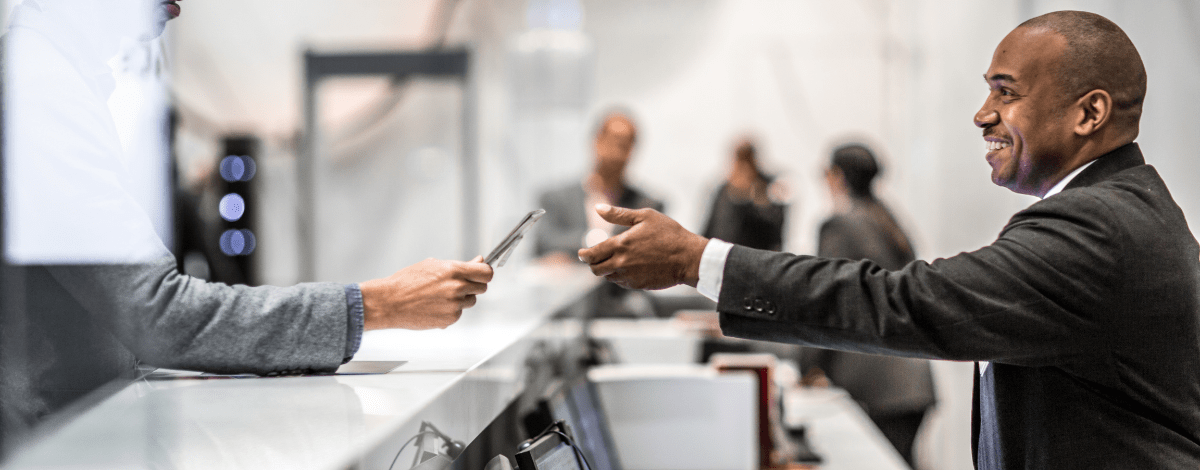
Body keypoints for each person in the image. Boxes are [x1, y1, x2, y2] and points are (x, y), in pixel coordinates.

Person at [577, 10, 1200, 468]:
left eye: (1005, 93)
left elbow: (905, 301)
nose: (983, 113)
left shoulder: (1097, 227)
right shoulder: (1118, 211)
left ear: (1088, 114)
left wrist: (696, 259)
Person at [0, 0, 492, 445]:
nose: (173, 10)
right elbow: (158, 315)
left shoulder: (50, 79)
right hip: (49, 442)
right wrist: (374, 304)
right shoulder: (39, 90)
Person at [801, 143, 935, 465]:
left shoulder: (840, 225)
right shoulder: (887, 218)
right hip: (912, 379)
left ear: (837, 176)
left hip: (875, 383)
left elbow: (824, 299)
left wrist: (808, 365)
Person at [535, 110, 664, 262]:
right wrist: (593, 239)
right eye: (613, 141)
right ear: (597, 140)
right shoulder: (556, 198)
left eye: (625, 145)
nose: (617, 152)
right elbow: (544, 243)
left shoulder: (647, 206)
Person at [701, 138, 787, 251]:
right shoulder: (723, 190)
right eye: (740, 159)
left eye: (747, 159)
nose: (743, 166)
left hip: (755, 258)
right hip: (723, 256)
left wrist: (755, 198)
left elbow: (775, 229)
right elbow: (710, 226)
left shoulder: (768, 188)